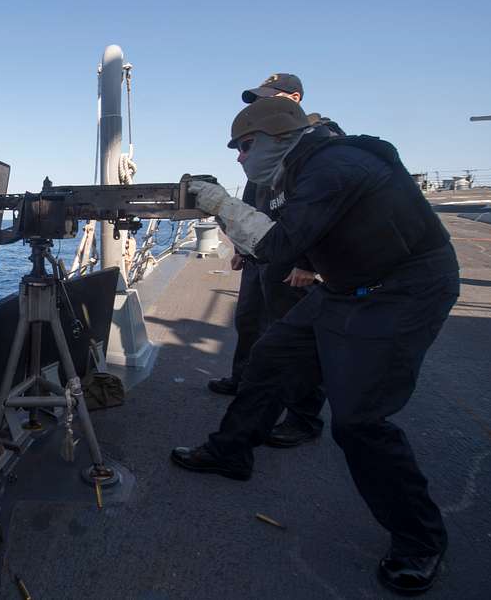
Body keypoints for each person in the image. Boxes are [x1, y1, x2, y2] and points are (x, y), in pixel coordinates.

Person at [173, 97, 459, 594]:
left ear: (277, 139)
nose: (240, 158)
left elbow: (281, 245)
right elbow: (287, 242)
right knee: (271, 357)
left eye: (244, 146)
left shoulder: (335, 165)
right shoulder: (292, 174)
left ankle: (419, 540)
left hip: (406, 289)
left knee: (361, 421)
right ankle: (231, 451)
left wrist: (219, 203)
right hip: (347, 284)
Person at [207, 73, 325, 448]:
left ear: (293, 97)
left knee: (295, 340)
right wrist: (242, 247)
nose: (256, 106)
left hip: (294, 259)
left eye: (267, 97)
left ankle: (303, 418)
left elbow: (319, 211)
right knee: (249, 322)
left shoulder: (314, 143)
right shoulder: (265, 144)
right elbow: (260, 203)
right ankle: (243, 381)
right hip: (263, 254)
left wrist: (309, 262)